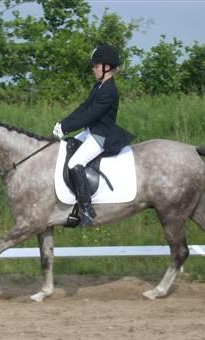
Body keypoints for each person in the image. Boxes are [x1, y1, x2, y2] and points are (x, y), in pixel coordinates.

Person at [53, 43, 136, 227]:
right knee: (68, 147)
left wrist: (67, 127)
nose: (94, 69)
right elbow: (84, 108)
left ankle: (87, 209)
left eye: (96, 66)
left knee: (75, 163)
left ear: (107, 68)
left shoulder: (109, 91)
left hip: (101, 135)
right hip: (90, 132)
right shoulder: (99, 86)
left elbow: (91, 115)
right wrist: (63, 122)